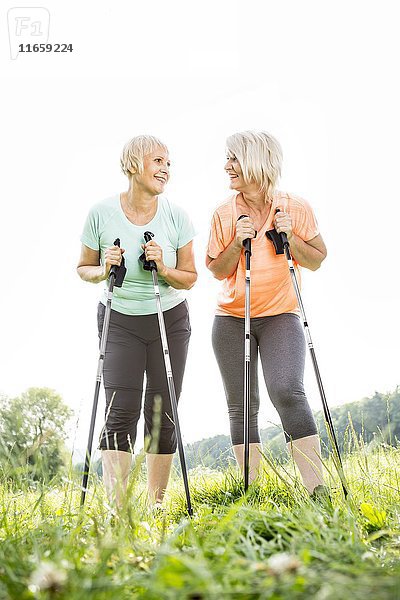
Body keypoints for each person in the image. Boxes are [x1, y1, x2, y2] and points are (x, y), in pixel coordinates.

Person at [77, 135, 197, 507]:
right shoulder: (100, 212)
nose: (165, 169)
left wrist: (163, 267)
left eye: (169, 163)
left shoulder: (177, 216)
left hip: (168, 318)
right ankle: (119, 512)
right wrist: (104, 268)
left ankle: (156, 505)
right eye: (158, 161)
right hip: (120, 319)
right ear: (133, 164)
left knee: (163, 412)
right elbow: (84, 267)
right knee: (120, 411)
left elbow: (190, 277)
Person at [206, 130, 327, 494]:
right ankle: (251, 494)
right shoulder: (224, 214)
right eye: (227, 158)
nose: (227, 166)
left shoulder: (296, 207)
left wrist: (293, 238)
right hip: (231, 318)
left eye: (234, 158)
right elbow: (215, 268)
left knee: (287, 389)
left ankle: (317, 492)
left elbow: (317, 259)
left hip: (281, 315)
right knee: (243, 405)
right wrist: (236, 242)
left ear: (257, 160)